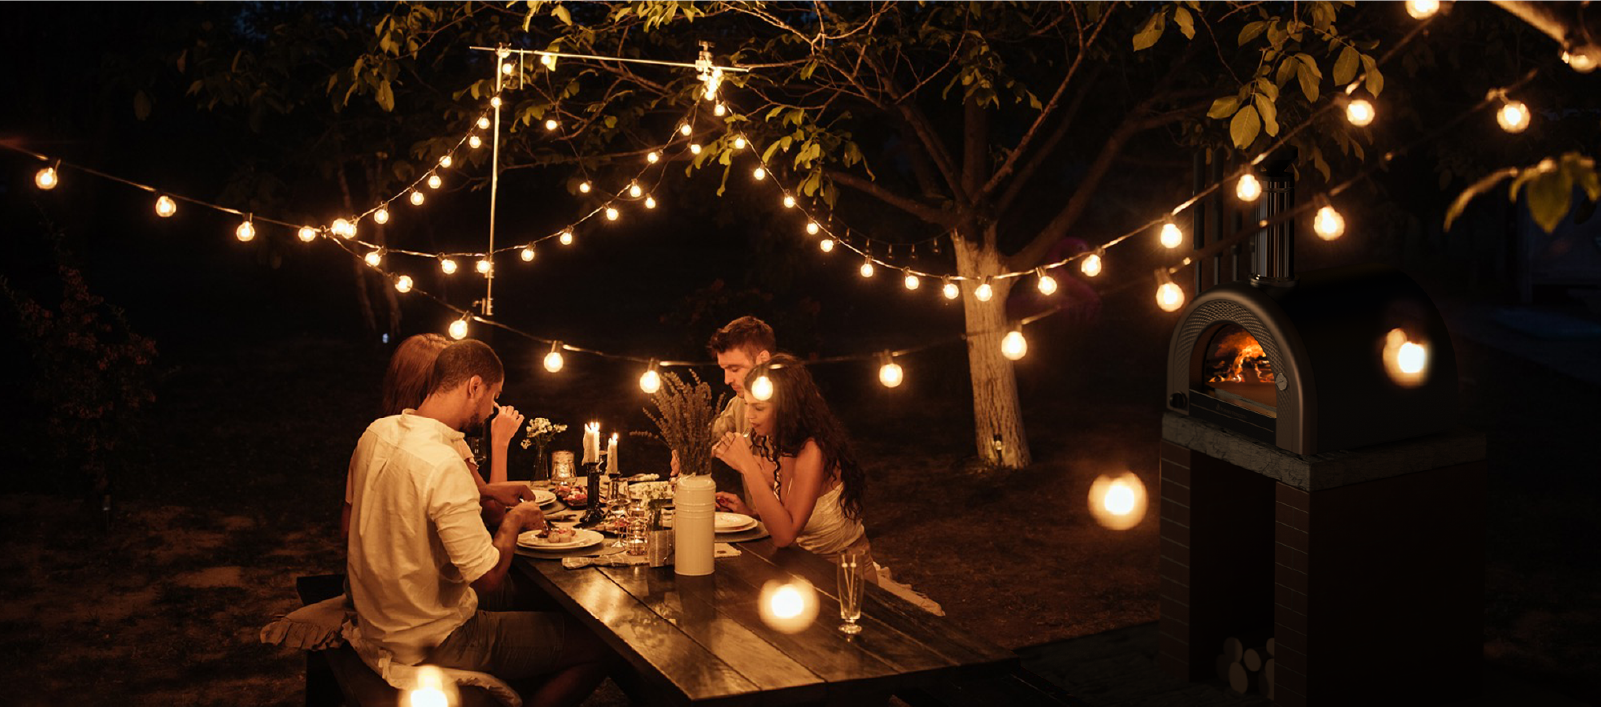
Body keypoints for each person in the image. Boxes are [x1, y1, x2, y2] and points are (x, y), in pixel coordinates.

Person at [346, 340, 610, 704]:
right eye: (493, 396)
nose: (491, 410)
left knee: (555, 601)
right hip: (434, 637)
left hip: (383, 619)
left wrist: (488, 493)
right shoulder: (442, 462)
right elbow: (486, 579)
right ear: (474, 387)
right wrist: (515, 520)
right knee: (602, 644)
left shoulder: (378, 433)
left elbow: (412, 504)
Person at [342, 333, 530, 537]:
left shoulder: (377, 433)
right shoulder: (443, 448)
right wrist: (501, 442)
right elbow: (493, 514)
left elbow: (348, 526)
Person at [709, 354, 871, 563]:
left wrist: (748, 466)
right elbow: (788, 516)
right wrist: (749, 513)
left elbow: (785, 536)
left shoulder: (813, 449)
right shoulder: (787, 445)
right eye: (747, 405)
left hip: (845, 574)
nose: (749, 415)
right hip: (808, 567)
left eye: (758, 407)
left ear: (786, 408)